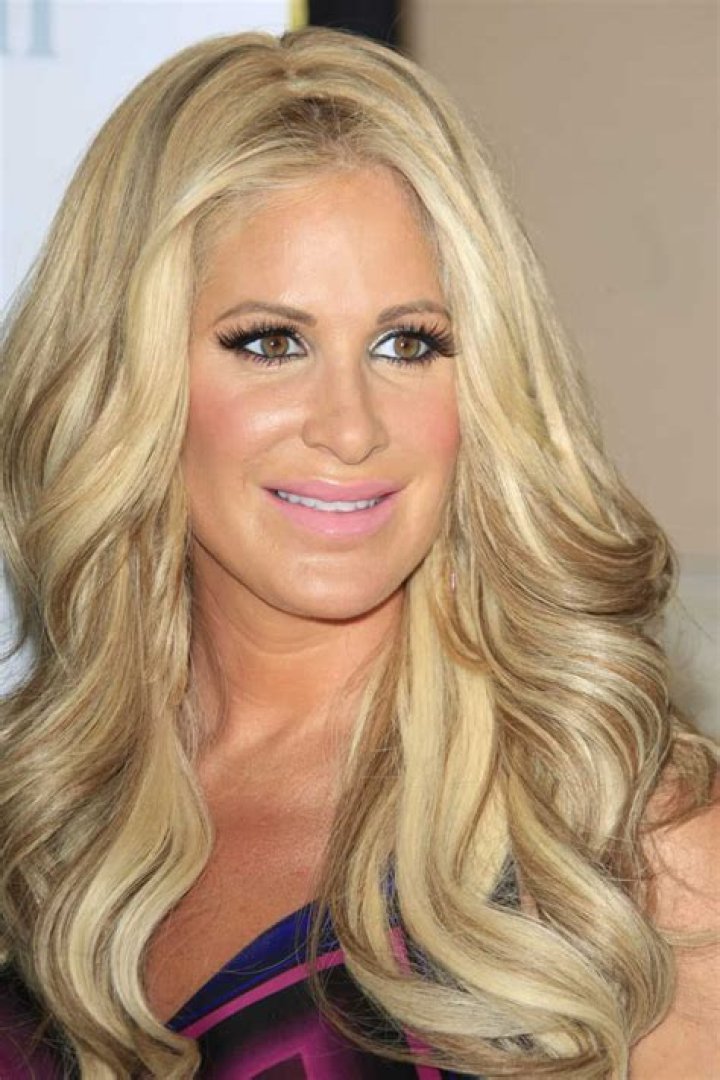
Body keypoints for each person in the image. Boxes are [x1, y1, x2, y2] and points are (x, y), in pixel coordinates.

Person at [0, 26, 717, 1080]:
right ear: (125, 377)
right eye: (270, 342)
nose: (350, 427)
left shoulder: (629, 838)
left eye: (407, 344)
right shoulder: (34, 810)